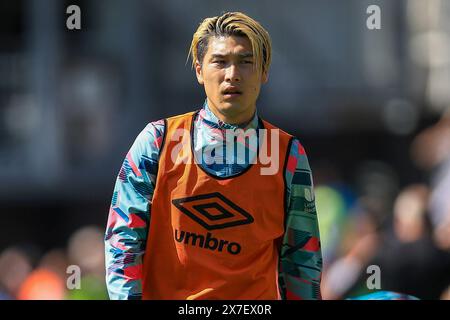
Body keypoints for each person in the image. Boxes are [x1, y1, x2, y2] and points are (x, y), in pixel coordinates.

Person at [104, 11, 322, 300]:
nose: (232, 74)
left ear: (264, 72)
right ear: (198, 70)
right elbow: (123, 245)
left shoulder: (287, 154)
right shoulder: (157, 141)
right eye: (220, 62)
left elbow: (302, 263)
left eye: (246, 62)